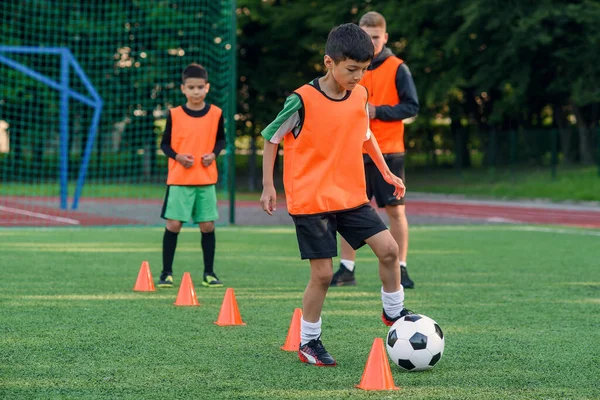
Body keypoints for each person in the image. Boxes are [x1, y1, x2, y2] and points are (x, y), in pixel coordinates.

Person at [260, 23, 413, 367]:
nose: (359, 77)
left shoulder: (359, 95)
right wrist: (269, 186)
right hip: (311, 200)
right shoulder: (301, 100)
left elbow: (365, 134)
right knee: (324, 275)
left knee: (389, 251)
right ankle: (309, 341)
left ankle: (394, 313)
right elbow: (271, 138)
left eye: (364, 69)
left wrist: (386, 171)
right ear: (329, 62)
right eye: (352, 69)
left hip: (350, 195)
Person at [331, 11, 420, 289]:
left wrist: (378, 111)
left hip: (389, 151)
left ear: (385, 37)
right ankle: (347, 268)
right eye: (366, 36)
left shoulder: (398, 67)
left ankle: (401, 267)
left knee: (395, 211)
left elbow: (412, 107)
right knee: (348, 210)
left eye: (376, 37)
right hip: (353, 152)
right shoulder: (349, 65)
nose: (371, 42)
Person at [158, 63, 226, 288]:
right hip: (179, 180)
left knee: (207, 226)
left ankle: (209, 273)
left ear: (207, 87)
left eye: (200, 87)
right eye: (191, 87)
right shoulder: (174, 114)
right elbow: (165, 145)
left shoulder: (216, 113)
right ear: (183, 89)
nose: (196, 91)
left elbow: (221, 140)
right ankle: (166, 273)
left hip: (205, 180)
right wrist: (178, 157)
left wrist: (213, 155)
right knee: (174, 225)